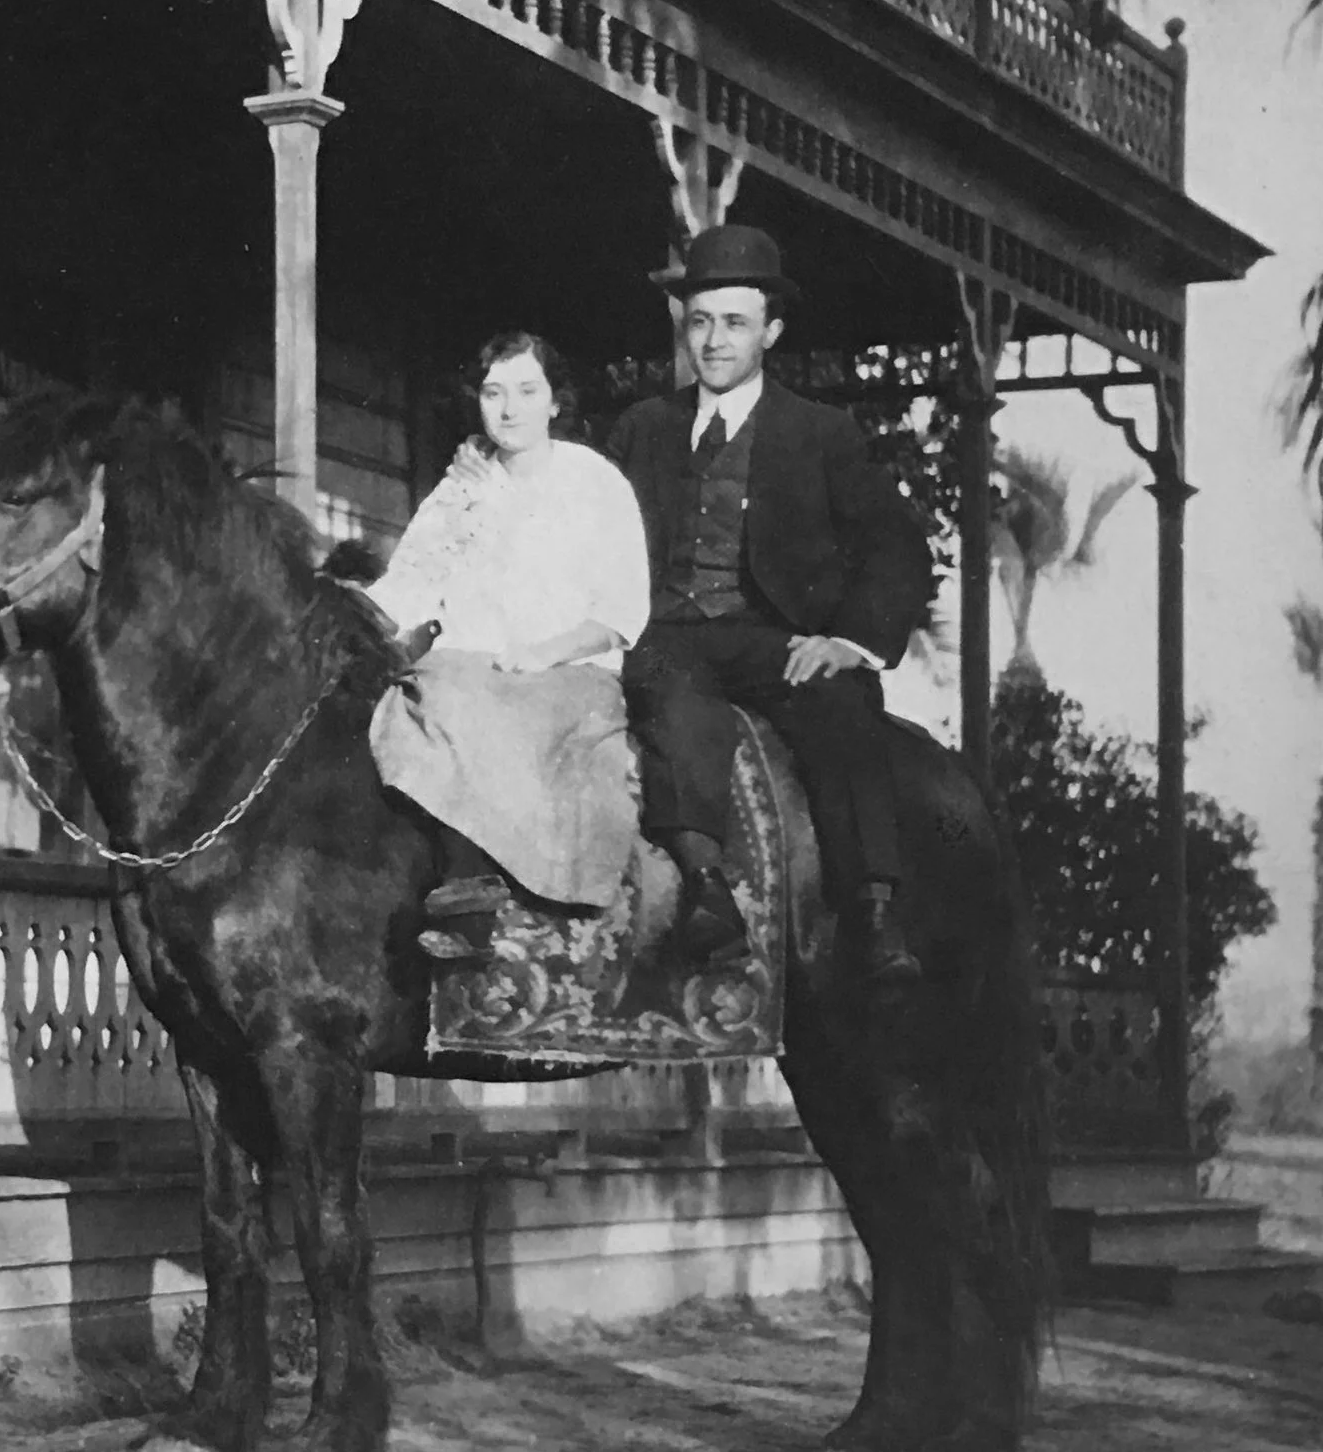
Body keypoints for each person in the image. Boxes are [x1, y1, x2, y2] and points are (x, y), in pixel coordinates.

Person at [607, 223, 933, 984]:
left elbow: (896, 544)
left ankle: (875, 913)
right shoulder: (641, 429)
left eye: (735, 322)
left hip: (773, 636)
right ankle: (708, 892)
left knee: (844, 705)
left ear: (771, 331)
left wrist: (851, 640)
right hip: (667, 634)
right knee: (672, 697)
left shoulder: (820, 434)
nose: (714, 340)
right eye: (700, 321)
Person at [364, 330, 651, 906]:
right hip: (466, 672)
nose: (510, 408)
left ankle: (471, 877)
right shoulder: (461, 485)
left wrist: (545, 652)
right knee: (408, 697)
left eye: (526, 390)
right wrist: (356, 611)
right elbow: (411, 581)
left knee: (460, 698)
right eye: (494, 393)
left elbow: (622, 609)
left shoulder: (593, 480)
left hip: (568, 675)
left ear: (554, 402)